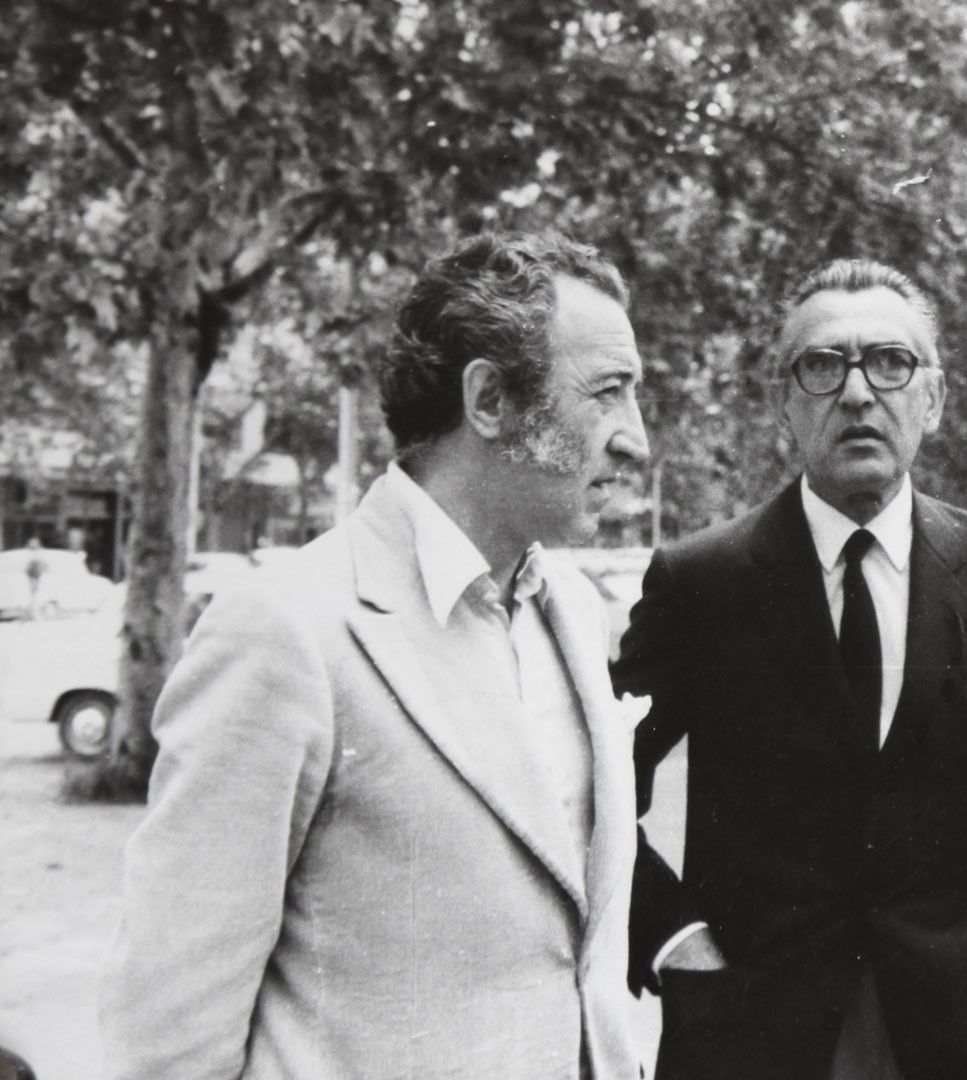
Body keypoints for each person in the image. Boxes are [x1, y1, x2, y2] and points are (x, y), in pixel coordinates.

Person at [102, 232, 654, 1079]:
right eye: (608, 392)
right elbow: (169, 1033)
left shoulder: (575, 610)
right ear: (490, 399)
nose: (636, 440)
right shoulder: (285, 630)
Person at [613, 258, 967, 1080]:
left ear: (934, 399)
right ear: (782, 401)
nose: (856, 393)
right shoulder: (700, 581)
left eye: (890, 363)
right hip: (761, 1038)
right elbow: (590, 787)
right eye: (822, 366)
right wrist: (669, 937)